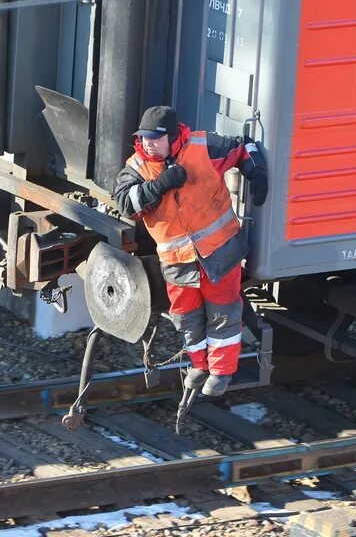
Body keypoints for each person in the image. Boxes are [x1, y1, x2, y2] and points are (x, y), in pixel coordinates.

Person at [113, 106, 267, 396]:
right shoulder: (136, 167)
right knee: (186, 316)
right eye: (144, 138)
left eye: (155, 138)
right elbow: (125, 203)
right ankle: (199, 365)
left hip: (219, 253)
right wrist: (160, 184)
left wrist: (256, 171)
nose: (148, 144)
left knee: (223, 312)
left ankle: (221, 373)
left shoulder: (203, 147)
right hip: (178, 261)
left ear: (173, 137)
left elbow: (242, 147)